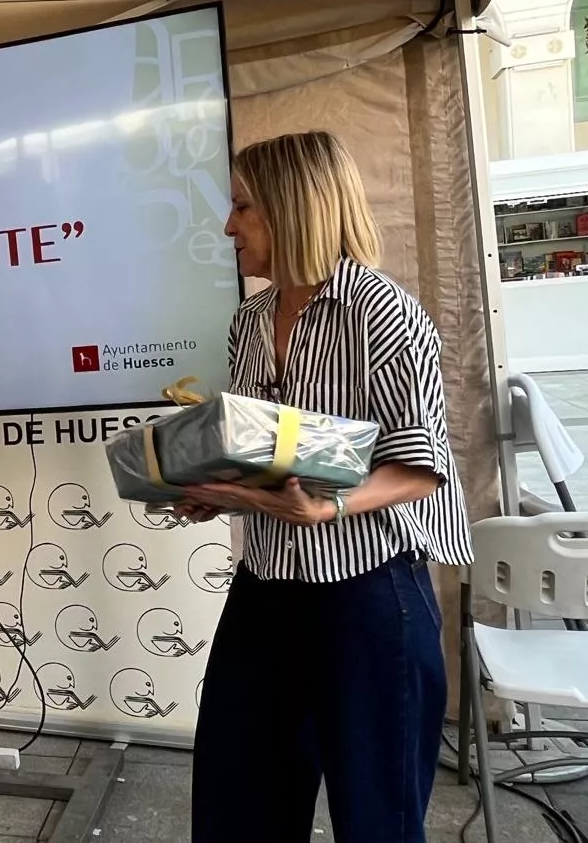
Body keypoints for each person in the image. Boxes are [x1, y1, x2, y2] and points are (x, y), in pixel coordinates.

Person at [175, 131, 474, 843]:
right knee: (236, 806)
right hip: (265, 587)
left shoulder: (384, 313)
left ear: (293, 207)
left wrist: (328, 504)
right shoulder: (248, 321)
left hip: (367, 596)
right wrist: (211, 484)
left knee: (377, 820)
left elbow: (421, 462)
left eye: (242, 207)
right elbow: (263, 444)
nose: (227, 226)